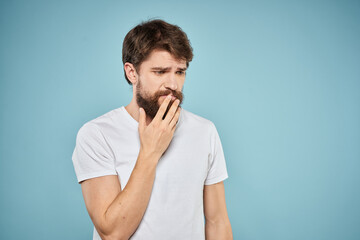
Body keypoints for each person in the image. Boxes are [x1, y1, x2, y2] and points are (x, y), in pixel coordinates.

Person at [72, 19, 233, 240]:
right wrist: (150, 152)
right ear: (132, 73)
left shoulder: (205, 131)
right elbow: (112, 233)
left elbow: (217, 222)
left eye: (180, 72)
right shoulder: (96, 135)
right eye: (160, 72)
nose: (173, 84)